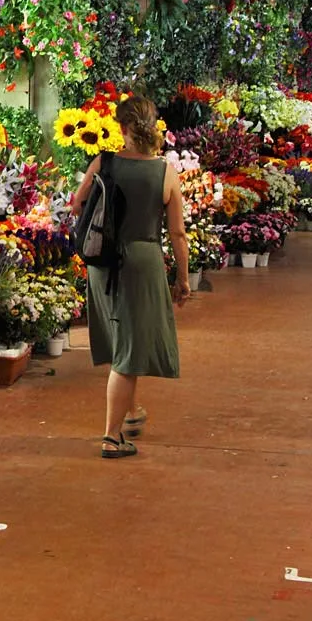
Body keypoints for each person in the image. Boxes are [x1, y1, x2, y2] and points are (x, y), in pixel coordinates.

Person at [68, 94, 188, 459]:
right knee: (131, 350)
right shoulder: (164, 172)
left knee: (124, 338)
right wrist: (182, 279)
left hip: (102, 260)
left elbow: (77, 204)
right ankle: (111, 436)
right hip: (142, 260)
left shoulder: (103, 162)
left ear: (121, 128)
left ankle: (132, 412)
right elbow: (178, 234)